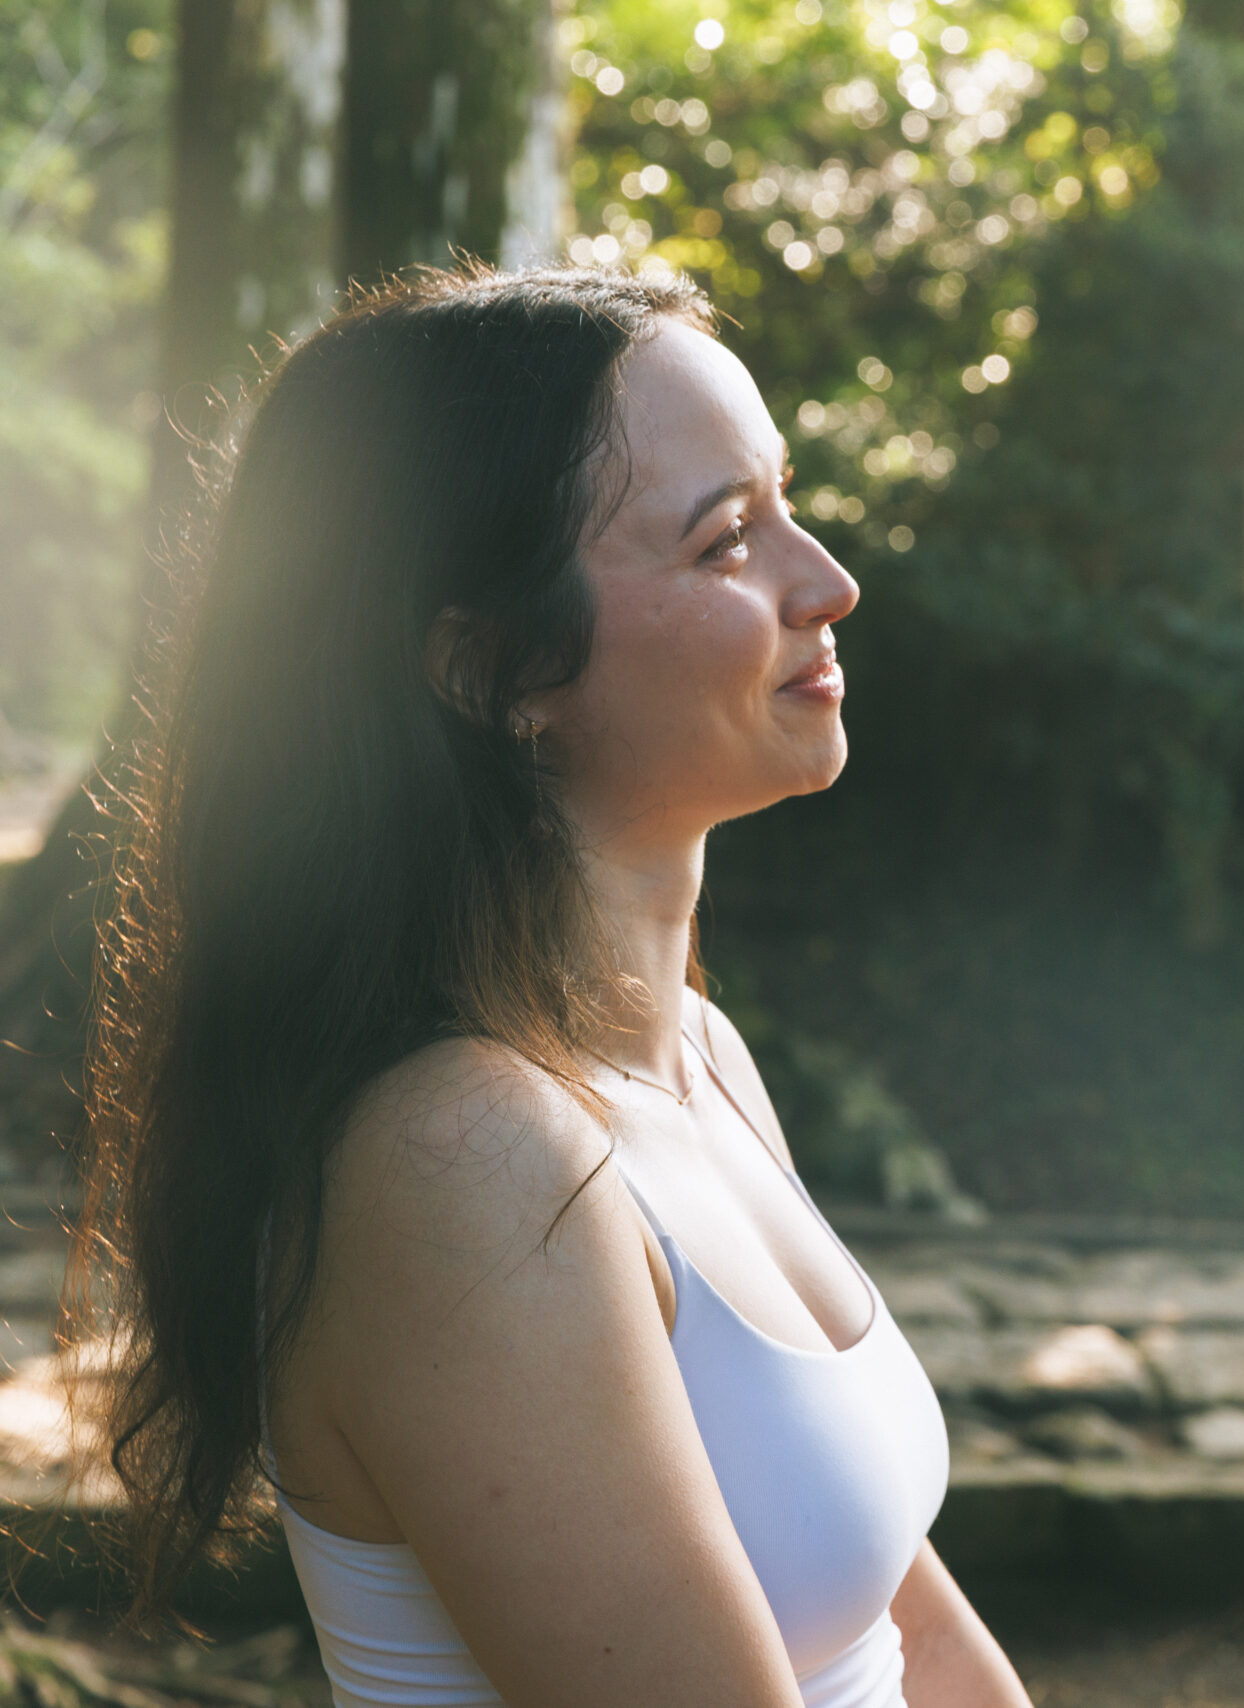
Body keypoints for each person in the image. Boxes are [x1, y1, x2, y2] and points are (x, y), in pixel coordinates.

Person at [73, 266, 1032, 1708]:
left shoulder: (697, 1060)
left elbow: (915, 1640)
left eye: (787, 503)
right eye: (725, 543)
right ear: (497, 667)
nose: (828, 579)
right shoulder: (466, 1163)